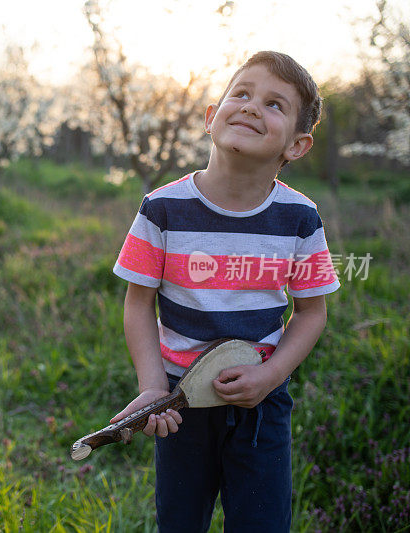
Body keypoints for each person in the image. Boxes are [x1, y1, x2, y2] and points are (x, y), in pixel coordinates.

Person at [109, 51, 340, 532]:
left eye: (275, 104)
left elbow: (312, 312)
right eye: (242, 93)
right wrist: (154, 387)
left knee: (262, 522)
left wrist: (272, 374)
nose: (253, 106)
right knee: (179, 520)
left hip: (261, 400)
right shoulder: (162, 209)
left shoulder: (300, 218)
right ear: (212, 117)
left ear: (297, 145)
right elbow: (138, 303)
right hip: (177, 402)